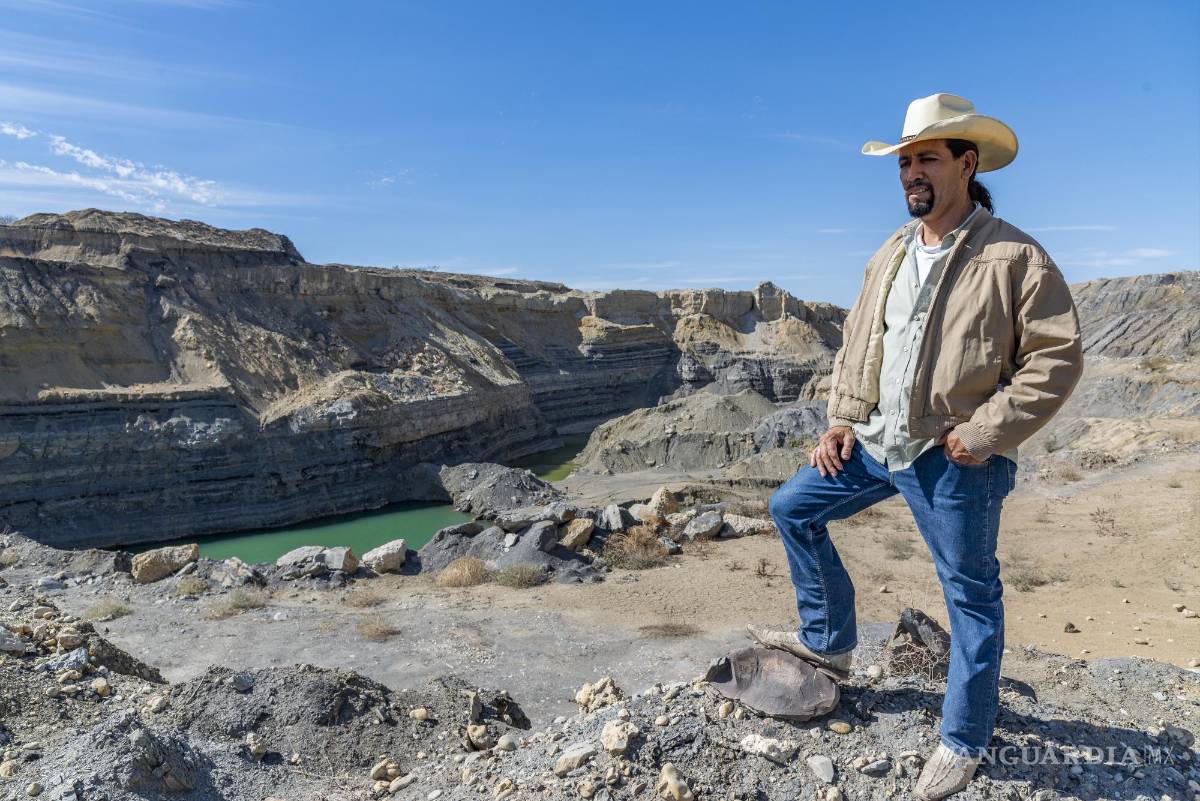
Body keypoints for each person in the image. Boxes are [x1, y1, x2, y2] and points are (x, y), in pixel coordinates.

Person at [748, 93, 1085, 801]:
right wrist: (842, 418)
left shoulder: (1014, 256)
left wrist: (983, 433)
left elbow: (1055, 359)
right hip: (875, 444)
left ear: (968, 162)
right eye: (904, 161)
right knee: (792, 508)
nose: (910, 173)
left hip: (951, 457)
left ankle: (962, 739)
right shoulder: (891, 253)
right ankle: (833, 642)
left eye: (925, 157)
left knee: (971, 598)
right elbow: (860, 342)